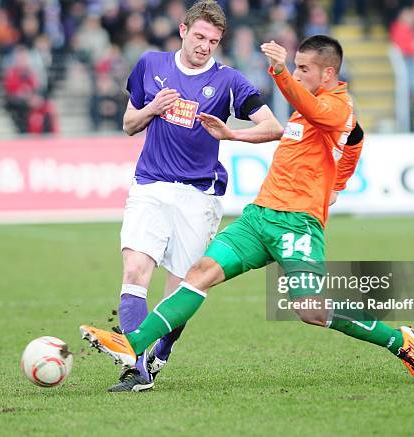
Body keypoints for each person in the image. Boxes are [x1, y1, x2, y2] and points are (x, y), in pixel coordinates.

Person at [81, 35, 414, 388]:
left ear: (328, 73)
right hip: (258, 216)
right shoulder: (314, 108)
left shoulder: (335, 106)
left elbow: (341, 128)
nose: (296, 73)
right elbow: (355, 140)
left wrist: (279, 71)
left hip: (297, 225)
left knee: (310, 309)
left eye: (303, 68)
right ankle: (132, 345)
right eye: (294, 66)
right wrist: (336, 183)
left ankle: (399, 341)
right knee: (200, 273)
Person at [106, 0, 284, 392]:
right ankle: (136, 369)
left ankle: (161, 350)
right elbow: (128, 123)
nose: (205, 46)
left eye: (214, 40)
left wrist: (232, 133)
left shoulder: (229, 80)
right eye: (200, 36)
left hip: (199, 196)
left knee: (182, 292)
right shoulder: (151, 65)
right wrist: (153, 107)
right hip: (150, 185)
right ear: (183, 30)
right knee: (135, 272)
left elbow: (274, 127)